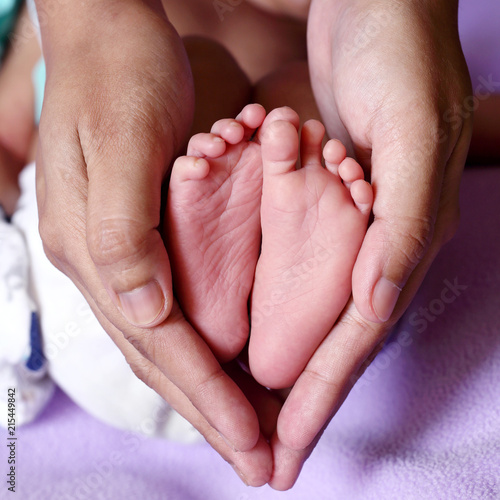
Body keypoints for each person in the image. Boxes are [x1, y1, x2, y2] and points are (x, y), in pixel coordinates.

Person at [31, 0, 474, 490]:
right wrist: (451, 126)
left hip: (192, 168)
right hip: (161, 125)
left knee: (266, 96)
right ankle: (277, 276)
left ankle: (206, 272)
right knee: (288, 106)